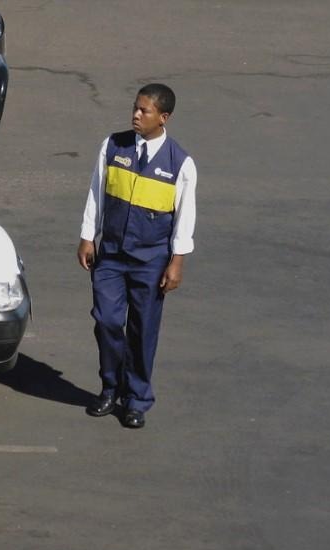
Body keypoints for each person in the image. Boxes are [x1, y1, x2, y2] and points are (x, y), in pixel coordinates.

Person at [77, 83, 197, 429]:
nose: (136, 115)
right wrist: (88, 236)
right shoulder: (113, 147)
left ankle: (136, 399)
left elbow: (185, 218)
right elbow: (96, 193)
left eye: (144, 111)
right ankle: (110, 388)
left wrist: (177, 262)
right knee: (107, 320)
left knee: (142, 330)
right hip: (111, 255)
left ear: (164, 118)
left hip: (151, 260)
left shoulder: (180, 164)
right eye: (135, 108)